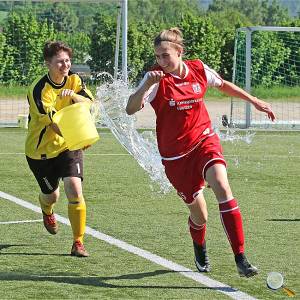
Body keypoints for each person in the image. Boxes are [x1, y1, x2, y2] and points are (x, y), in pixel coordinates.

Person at [126, 28, 275, 277]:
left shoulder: (198, 69)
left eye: (165, 55)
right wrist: (145, 87)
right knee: (200, 216)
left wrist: (254, 101)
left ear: (179, 52)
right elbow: (130, 108)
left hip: (204, 141)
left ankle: (241, 258)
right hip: (176, 158)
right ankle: (199, 246)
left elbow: (223, 85)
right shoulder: (155, 79)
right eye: (158, 57)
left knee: (222, 187)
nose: (161, 61)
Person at [25, 41, 94, 257]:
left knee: (74, 189)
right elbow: (54, 123)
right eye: (59, 62)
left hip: (67, 147)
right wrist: (79, 137)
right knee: (51, 196)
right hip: (41, 152)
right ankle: (46, 210)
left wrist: (73, 96)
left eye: (67, 60)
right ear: (48, 63)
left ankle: (78, 242)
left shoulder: (74, 79)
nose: (65, 66)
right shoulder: (39, 90)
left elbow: (89, 102)